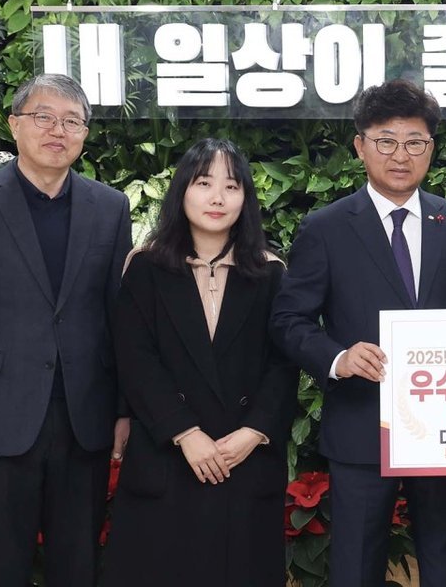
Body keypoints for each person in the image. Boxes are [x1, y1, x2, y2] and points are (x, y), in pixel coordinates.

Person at [270, 79, 446, 587]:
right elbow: (287, 321)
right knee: (355, 567)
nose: (400, 155)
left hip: (442, 430)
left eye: (414, 142)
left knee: (444, 563)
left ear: (431, 148)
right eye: (386, 141)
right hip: (361, 425)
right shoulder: (326, 227)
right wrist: (338, 357)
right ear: (360, 145)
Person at [0, 73, 131, 586]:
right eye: (43, 117)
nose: (57, 131)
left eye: (71, 121)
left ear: (85, 134)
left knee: (78, 565)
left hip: (84, 418)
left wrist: (123, 410)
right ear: (14, 124)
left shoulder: (110, 208)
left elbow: (119, 318)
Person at [102, 138, 296, 586]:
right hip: (167, 457)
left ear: (245, 198)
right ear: (182, 191)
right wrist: (185, 432)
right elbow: (134, 358)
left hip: (242, 459)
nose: (217, 198)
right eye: (204, 183)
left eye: (231, 186)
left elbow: (284, 364)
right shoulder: (146, 267)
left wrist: (253, 432)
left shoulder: (270, 272)